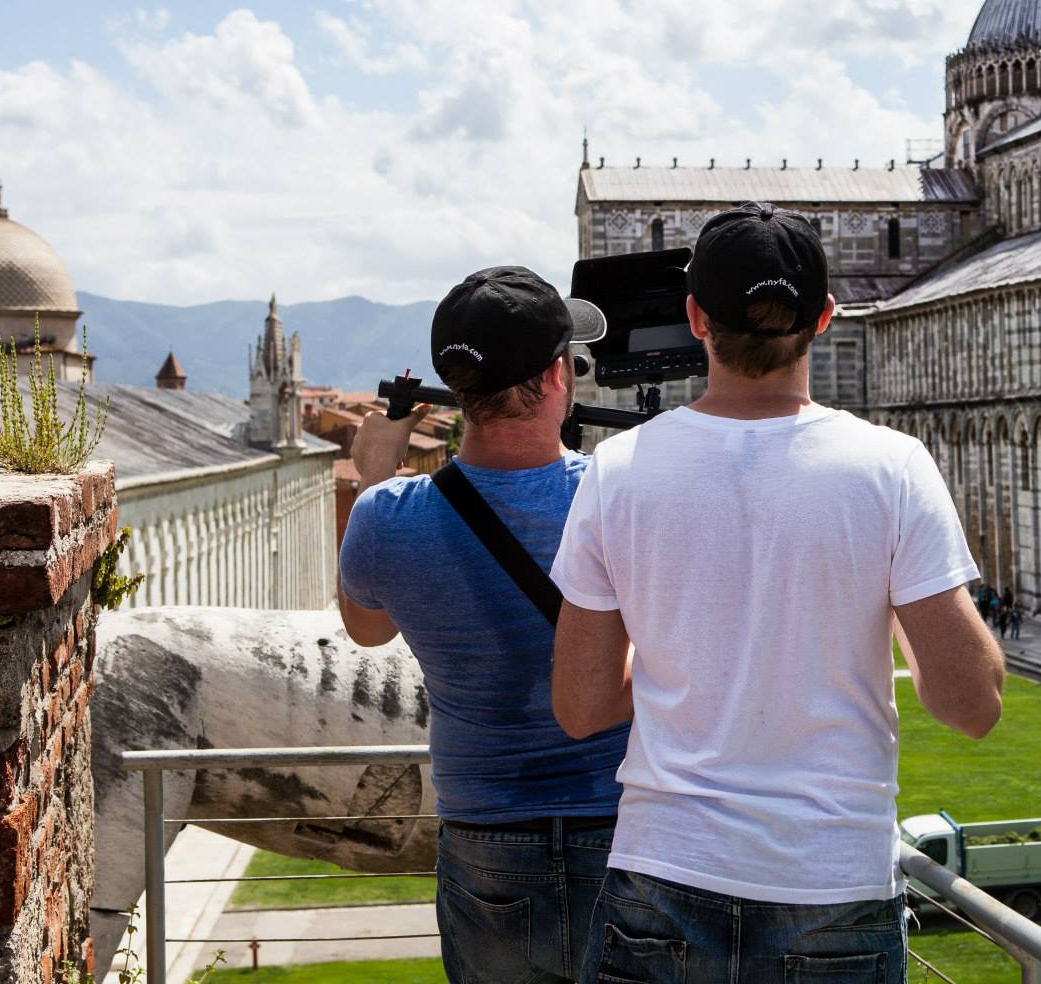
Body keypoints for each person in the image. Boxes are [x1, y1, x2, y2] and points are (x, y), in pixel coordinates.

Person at [550, 203, 1005, 983]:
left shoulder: (616, 470)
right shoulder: (892, 467)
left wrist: (686, 666)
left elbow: (582, 706)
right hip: (830, 878)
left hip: (664, 866)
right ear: (825, 317)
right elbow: (973, 704)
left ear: (696, 317)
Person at [337, 266, 629, 984]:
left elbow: (365, 629)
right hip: (624, 828)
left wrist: (371, 475)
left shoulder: (386, 517)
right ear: (559, 375)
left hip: (485, 838)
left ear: (454, 387)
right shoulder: (622, 495)